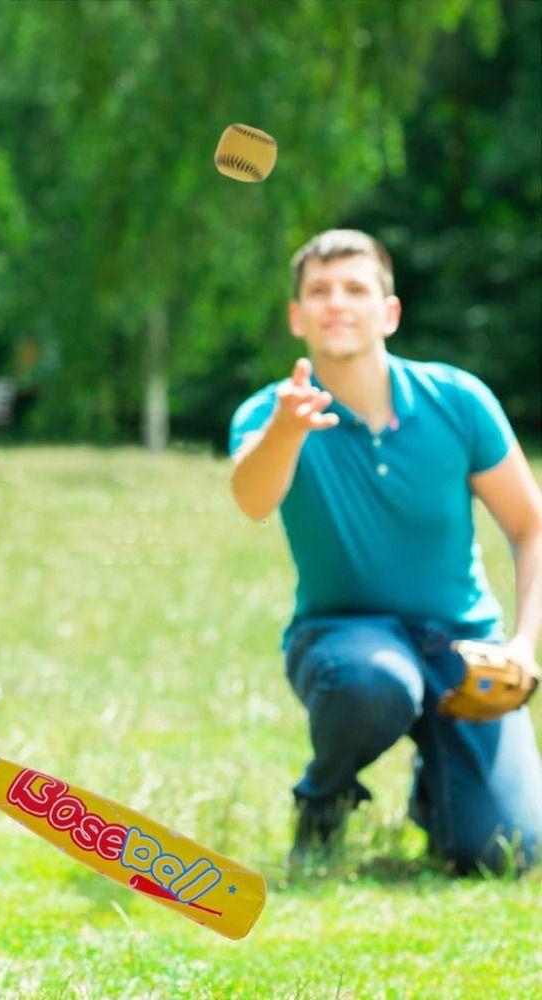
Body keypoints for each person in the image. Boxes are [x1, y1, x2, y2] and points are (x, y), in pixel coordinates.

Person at [228, 229, 542, 873]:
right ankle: (324, 801)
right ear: (297, 316)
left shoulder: (458, 401)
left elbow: (530, 527)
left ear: (389, 312)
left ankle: (440, 792)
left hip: (464, 647)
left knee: (506, 853)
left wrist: (522, 645)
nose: (337, 303)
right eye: (319, 291)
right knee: (375, 682)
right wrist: (287, 431)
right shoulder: (270, 413)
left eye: (355, 289)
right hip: (343, 640)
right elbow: (253, 500)